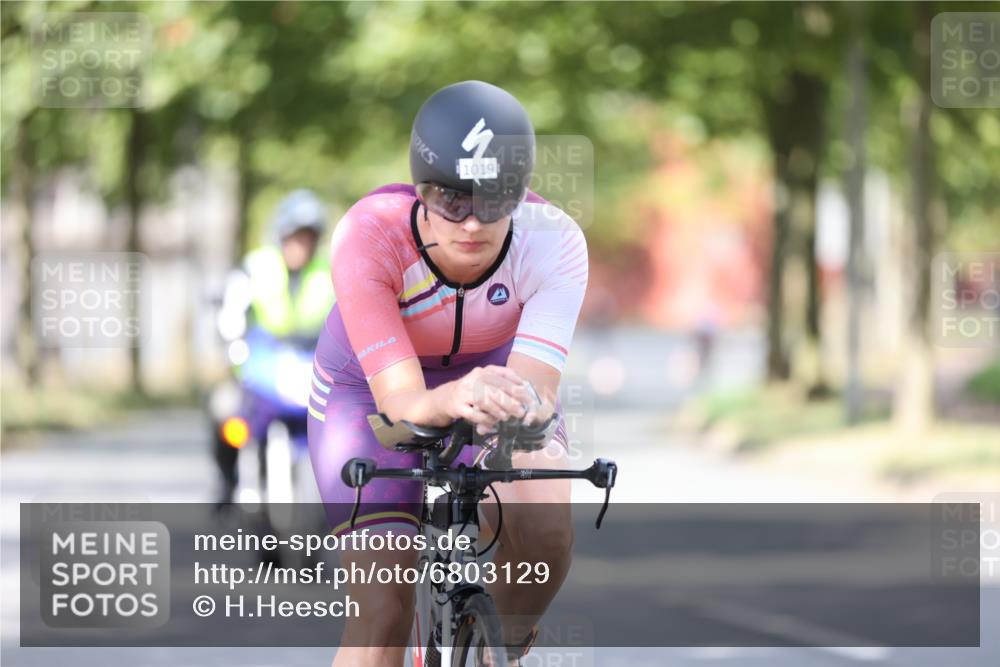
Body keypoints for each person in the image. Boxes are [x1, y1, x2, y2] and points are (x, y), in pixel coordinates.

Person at [307, 80, 588, 666]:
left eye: (494, 200)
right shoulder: (370, 232)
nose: (470, 224)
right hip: (368, 395)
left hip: (495, 386)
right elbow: (402, 401)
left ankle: (497, 650)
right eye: (451, 199)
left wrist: (515, 422)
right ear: (419, 190)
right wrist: (453, 394)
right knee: (382, 612)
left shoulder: (555, 241)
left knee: (544, 520)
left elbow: (534, 394)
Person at [212, 189, 335, 504]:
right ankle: (227, 483)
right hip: (262, 368)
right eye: (296, 236)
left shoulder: (331, 270)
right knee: (222, 410)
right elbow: (230, 313)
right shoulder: (256, 266)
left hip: (311, 372)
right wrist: (234, 347)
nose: (301, 245)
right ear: (281, 236)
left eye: (308, 238)